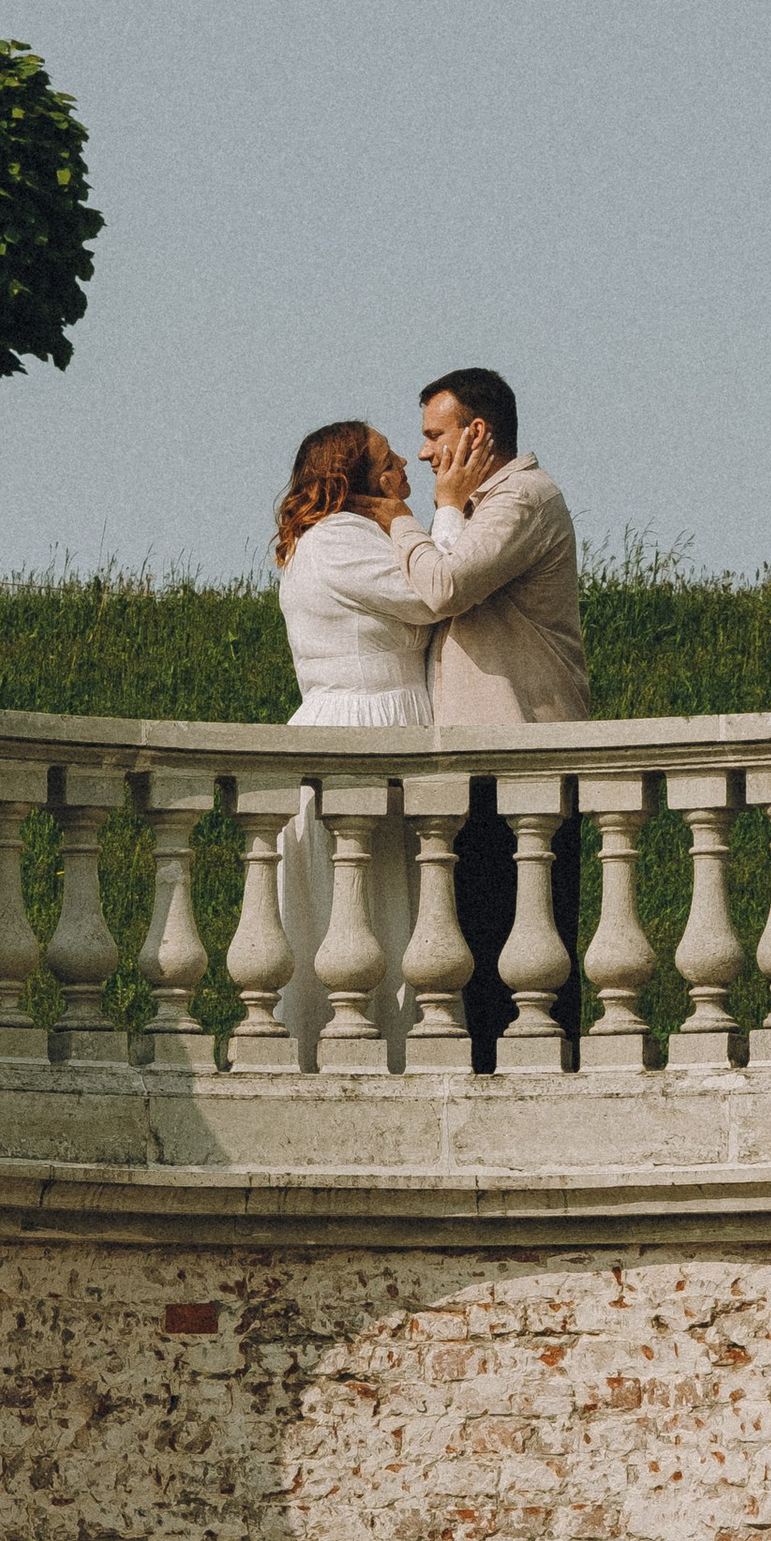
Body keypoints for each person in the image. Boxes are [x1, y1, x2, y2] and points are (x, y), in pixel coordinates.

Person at [370, 367, 587, 1057]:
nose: (424, 452)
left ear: (477, 433)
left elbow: (444, 586)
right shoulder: (483, 505)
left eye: (435, 435)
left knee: (530, 963)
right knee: (484, 953)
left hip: (523, 757)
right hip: (483, 762)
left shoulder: (522, 498)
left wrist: (405, 516)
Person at [272, 417, 429, 1063]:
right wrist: (439, 515)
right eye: (388, 462)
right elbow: (431, 594)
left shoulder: (343, 537)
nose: (405, 468)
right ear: (353, 480)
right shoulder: (340, 539)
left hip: (374, 714)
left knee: (386, 907)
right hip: (363, 723)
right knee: (368, 906)